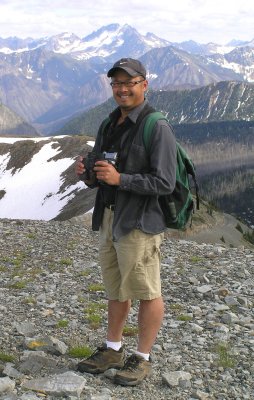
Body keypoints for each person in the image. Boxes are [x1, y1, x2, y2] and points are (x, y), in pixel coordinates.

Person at [75, 58, 176, 386]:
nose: (122, 89)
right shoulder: (109, 123)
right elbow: (103, 170)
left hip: (140, 223)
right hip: (109, 217)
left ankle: (143, 358)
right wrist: (89, 175)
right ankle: (113, 348)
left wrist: (121, 179)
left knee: (147, 290)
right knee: (116, 287)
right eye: (116, 83)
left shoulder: (155, 126)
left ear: (144, 85)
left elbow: (165, 183)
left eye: (129, 83)